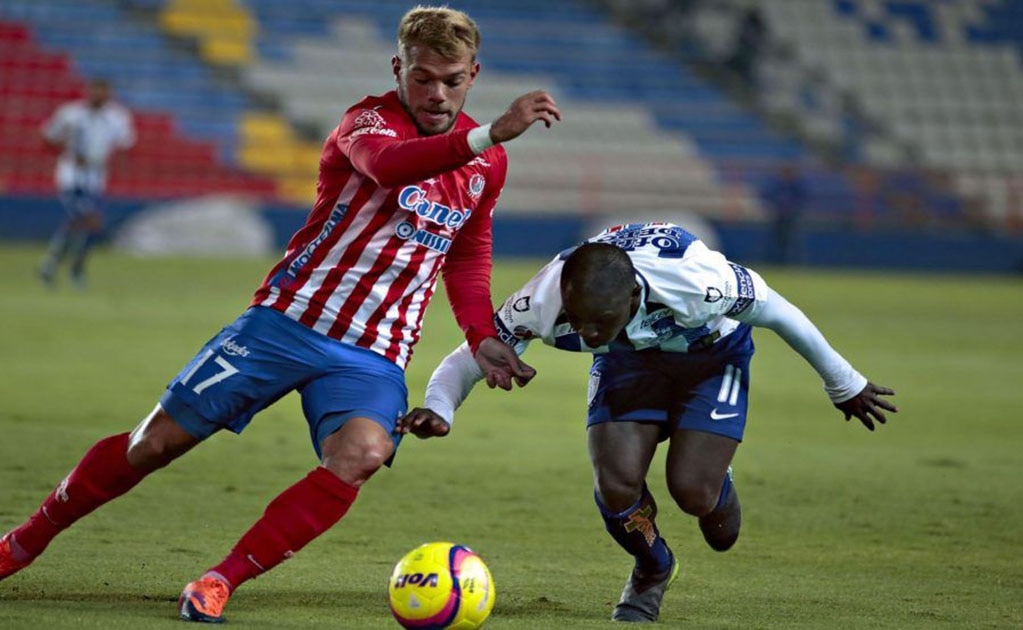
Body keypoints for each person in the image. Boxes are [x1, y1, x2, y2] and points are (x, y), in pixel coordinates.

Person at [0, 6, 560, 623]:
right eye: (423, 77)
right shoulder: (368, 122)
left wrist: (481, 335)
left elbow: (468, 254)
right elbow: (390, 168)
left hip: (375, 351)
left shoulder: (487, 165)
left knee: (364, 453)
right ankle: (21, 544)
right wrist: (490, 133)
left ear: (473, 74)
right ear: (399, 67)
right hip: (287, 323)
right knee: (153, 443)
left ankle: (220, 580)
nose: (437, 93)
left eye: (452, 81)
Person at [400, 221, 897, 623]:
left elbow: (781, 313)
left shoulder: (700, 281)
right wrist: (439, 407)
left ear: (635, 298)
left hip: (711, 356)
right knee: (616, 483)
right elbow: (469, 357)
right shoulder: (543, 299)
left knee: (697, 497)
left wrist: (844, 382)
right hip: (627, 364)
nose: (586, 331)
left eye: (601, 322)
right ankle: (652, 569)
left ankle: (708, 470)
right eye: (580, 319)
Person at [38, 77, 136, 289]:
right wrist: (69, 151)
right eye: (97, 91)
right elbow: (48, 136)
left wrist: (112, 162)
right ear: (88, 91)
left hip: (96, 179)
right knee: (87, 219)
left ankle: (53, 265)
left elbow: (126, 144)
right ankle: (72, 268)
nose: (100, 96)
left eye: (105, 92)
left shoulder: (116, 117)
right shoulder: (71, 114)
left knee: (85, 223)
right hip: (70, 177)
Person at [760, 161, 808, 265]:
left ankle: (791, 263)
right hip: (777, 216)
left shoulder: (796, 184)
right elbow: (767, 195)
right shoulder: (777, 184)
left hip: (791, 217)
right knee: (774, 241)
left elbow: (803, 198)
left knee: (791, 242)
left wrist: (792, 208)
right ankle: (774, 262)